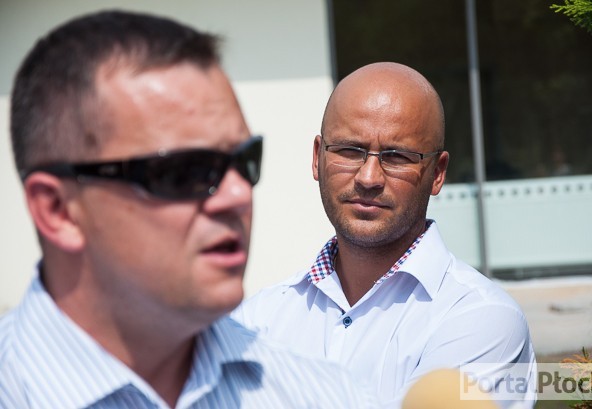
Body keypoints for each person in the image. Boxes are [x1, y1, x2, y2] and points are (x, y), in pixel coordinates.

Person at [0, 10, 377, 409]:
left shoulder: (326, 397)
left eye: (245, 161)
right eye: (185, 171)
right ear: (59, 210)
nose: (237, 194)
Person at [233, 62, 537, 408]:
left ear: (437, 173)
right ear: (318, 158)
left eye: (396, 157)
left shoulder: (484, 321)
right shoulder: (258, 318)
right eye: (350, 151)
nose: (368, 177)